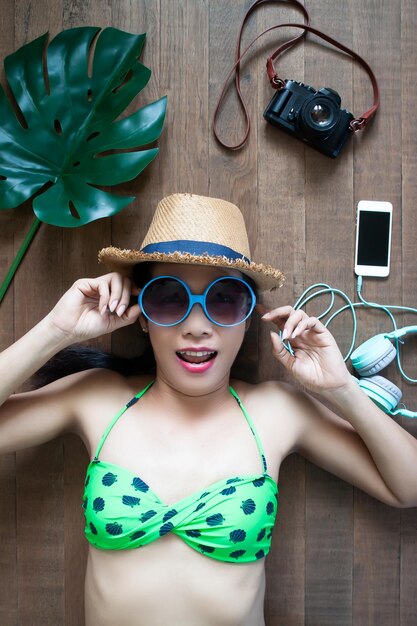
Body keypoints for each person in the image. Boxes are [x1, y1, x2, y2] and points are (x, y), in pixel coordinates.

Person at [1, 192, 417, 626]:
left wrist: (343, 390)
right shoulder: (98, 400)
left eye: (223, 299)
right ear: (141, 313)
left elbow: (409, 487)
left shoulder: (276, 413)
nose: (197, 326)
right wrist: (55, 331)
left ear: (249, 314)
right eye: (168, 298)